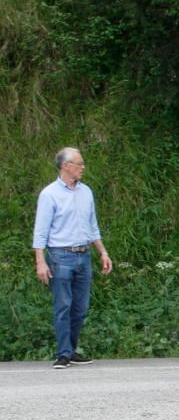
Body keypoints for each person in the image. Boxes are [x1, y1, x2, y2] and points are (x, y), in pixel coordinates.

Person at [32, 147, 113, 369]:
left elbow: (92, 226)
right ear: (66, 166)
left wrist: (102, 252)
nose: (83, 167)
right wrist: (40, 261)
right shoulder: (49, 194)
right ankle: (63, 353)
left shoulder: (86, 191)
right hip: (60, 256)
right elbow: (41, 231)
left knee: (80, 307)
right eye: (79, 164)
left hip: (83, 255)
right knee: (63, 305)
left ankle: (72, 348)